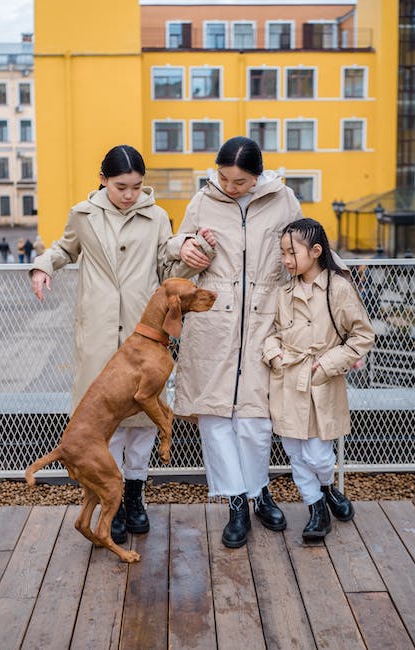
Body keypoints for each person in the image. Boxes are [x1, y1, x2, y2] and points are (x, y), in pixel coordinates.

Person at [30, 144, 207, 545]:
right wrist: (42, 268)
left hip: (144, 335)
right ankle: (109, 499)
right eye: (122, 186)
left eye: (137, 187)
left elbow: (167, 268)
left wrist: (193, 254)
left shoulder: (158, 216)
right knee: (103, 422)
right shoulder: (83, 215)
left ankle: (134, 497)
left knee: (144, 422)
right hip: (98, 332)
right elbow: (64, 249)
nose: (130, 195)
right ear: (103, 180)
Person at [165, 136, 303, 548]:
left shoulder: (284, 200)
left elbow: (305, 248)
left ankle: (260, 490)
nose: (230, 186)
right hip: (213, 323)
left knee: (257, 422)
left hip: (265, 321)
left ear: (258, 177)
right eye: (223, 177)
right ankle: (236, 503)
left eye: (239, 181)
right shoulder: (203, 200)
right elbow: (173, 247)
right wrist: (185, 245)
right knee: (215, 421)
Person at [262, 218, 375, 540]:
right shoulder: (283, 292)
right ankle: (316, 509)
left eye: (291, 252)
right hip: (287, 380)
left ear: (315, 251)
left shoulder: (338, 288)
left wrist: (326, 365)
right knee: (296, 453)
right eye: (282, 252)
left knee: (318, 456)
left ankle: (326, 488)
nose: (286, 260)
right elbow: (270, 333)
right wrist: (274, 354)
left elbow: (362, 336)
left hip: (320, 381)